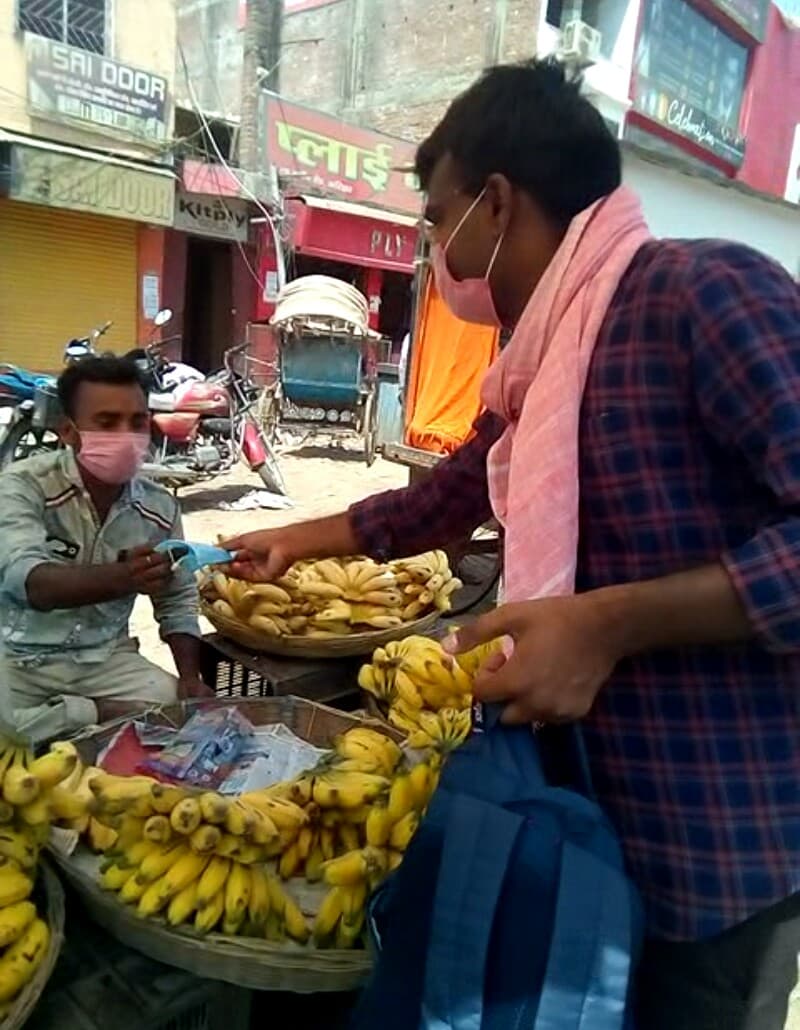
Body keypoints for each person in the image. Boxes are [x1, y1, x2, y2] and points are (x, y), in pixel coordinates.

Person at [224, 58, 800, 1028]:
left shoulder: (701, 292)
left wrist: (609, 624)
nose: (429, 244)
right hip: (575, 823)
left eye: (434, 214)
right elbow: (445, 497)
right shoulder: (543, 362)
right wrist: (297, 539)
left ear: (491, 204)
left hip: (714, 855)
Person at [0, 355, 211, 743]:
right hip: (18, 657)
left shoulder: (160, 506)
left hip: (104, 659)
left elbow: (178, 598)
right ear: (68, 431)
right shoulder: (23, 487)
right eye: (107, 423)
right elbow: (27, 582)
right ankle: (93, 712)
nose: (126, 436)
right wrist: (125, 576)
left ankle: (72, 715)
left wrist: (190, 679)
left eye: (137, 422)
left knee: (169, 707)